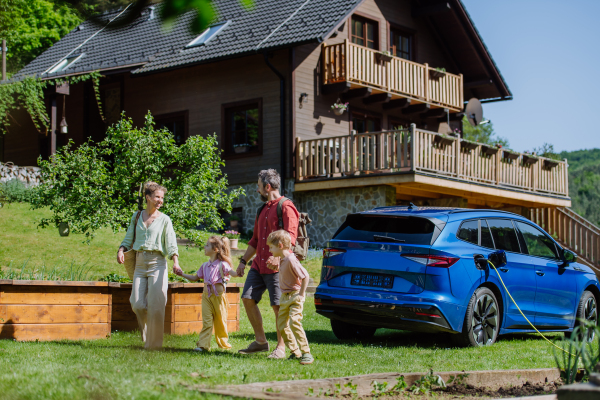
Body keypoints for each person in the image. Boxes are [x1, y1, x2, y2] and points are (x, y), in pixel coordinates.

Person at [236, 169, 299, 359]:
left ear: (267, 186)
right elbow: (255, 240)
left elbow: (292, 238)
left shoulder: (286, 207)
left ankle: (281, 348)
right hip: (258, 264)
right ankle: (261, 341)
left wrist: (279, 258)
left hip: (277, 267)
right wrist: (242, 261)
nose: (257, 190)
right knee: (247, 298)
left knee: (278, 306)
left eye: (258, 186)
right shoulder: (261, 210)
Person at [117, 181, 182, 350]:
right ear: (148, 197)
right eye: (157, 197)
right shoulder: (137, 216)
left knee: (156, 306)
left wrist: (175, 261)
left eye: (162, 198)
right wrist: (121, 249)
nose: (160, 201)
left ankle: (154, 344)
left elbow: (171, 242)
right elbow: (128, 237)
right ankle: (147, 335)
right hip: (139, 263)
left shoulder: (165, 220)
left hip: (157, 263)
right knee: (137, 303)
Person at [175, 236, 239, 351]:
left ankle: (224, 345)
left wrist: (238, 272)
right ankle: (203, 345)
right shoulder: (205, 265)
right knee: (207, 322)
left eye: (207, 245)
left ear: (215, 249)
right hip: (206, 297)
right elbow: (195, 277)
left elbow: (232, 273)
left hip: (219, 298)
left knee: (220, 322)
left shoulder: (222, 265)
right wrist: (182, 274)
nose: (204, 247)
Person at [266, 230, 313, 364]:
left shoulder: (292, 260)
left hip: (294, 296)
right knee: (282, 325)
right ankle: (295, 352)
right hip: (284, 297)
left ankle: (306, 353)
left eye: (271, 247)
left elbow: (305, 276)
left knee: (294, 322)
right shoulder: (283, 259)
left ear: (280, 246)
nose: (270, 250)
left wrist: (301, 294)